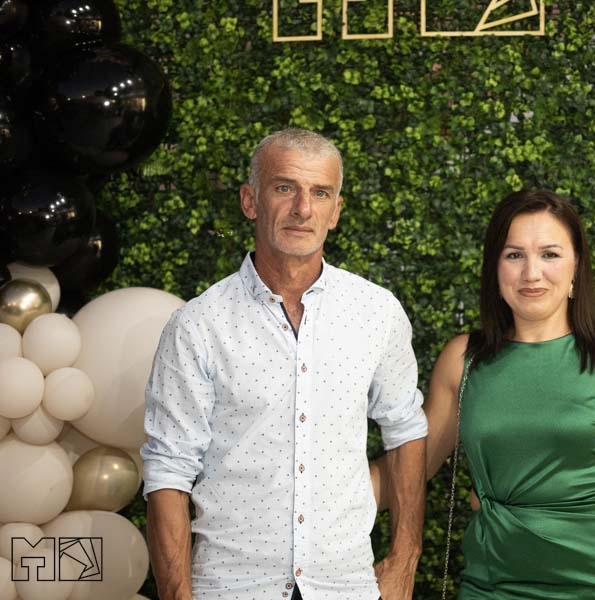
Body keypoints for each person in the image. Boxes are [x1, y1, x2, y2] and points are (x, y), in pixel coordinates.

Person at [141, 128, 427, 600]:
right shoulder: (198, 325)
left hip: (345, 588)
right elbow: (168, 470)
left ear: (336, 211)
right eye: (284, 188)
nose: (303, 208)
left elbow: (405, 430)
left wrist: (405, 557)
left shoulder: (377, 312)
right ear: (250, 201)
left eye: (320, 193)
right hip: (231, 589)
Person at [423, 189, 595, 599]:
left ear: (576, 267)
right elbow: (411, 469)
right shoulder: (463, 360)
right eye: (514, 255)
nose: (532, 273)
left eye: (549, 254)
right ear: (494, 268)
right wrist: (320, 498)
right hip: (493, 587)